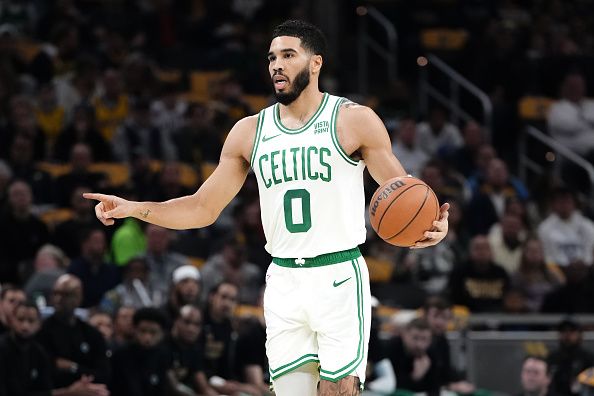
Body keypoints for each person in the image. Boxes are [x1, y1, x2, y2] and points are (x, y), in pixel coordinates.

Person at [84, 19, 449, 396]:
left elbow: (403, 193)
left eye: (288, 55)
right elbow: (202, 208)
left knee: (337, 391)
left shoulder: (353, 120)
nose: (276, 64)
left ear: (315, 63)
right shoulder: (249, 131)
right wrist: (134, 208)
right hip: (283, 279)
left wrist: (432, 227)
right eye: (272, 57)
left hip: (338, 274)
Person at [0, 301, 109, 396]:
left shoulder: (38, 352)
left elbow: (46, 390)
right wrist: (68, 392)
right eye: (20, 319)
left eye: (31, 321)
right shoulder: (3, 348)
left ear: (39, 324)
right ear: (10, 320)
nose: (25, 326)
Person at [37, 274, 111, 388]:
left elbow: (103, 374)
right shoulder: (42, 331)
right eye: (55, 293)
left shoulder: (91, 333)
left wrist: (72, 367)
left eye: (66, 295)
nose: (58, 299)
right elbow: (46, 371)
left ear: (79, 298)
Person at [548, 319, 594, 396]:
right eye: (563, 331)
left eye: (571, 331)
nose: (567, 334)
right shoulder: (552, 357)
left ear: (579, 334)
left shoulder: (588, 358)